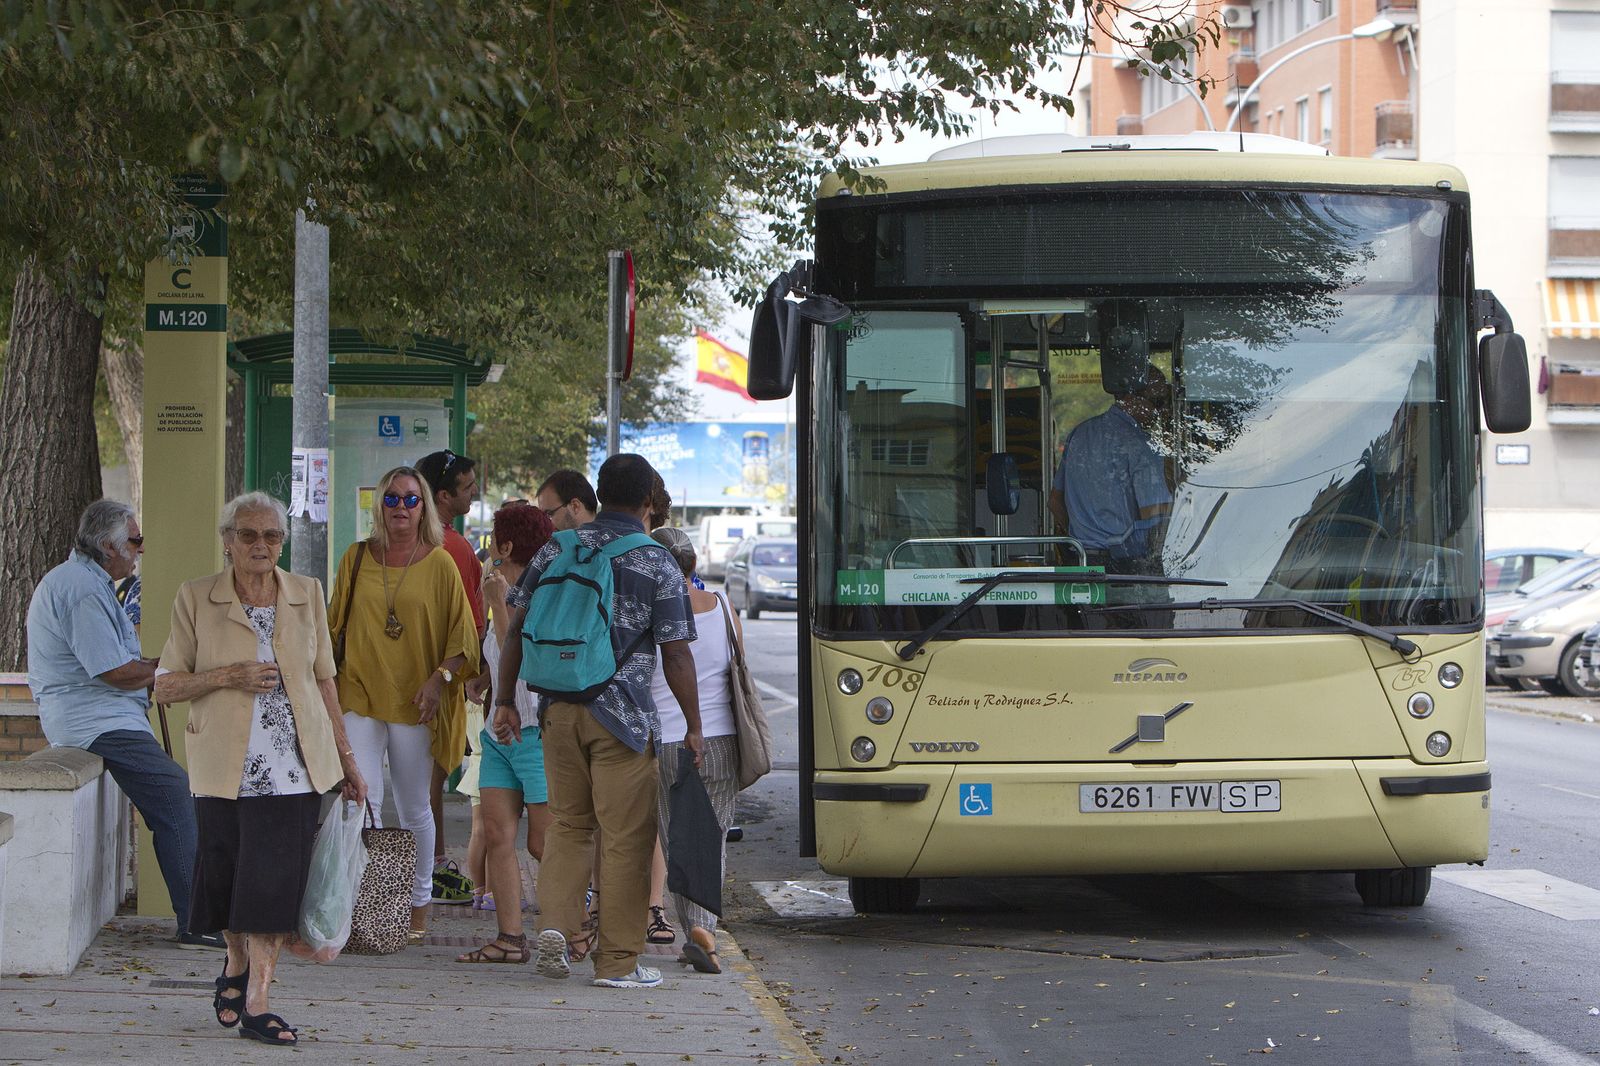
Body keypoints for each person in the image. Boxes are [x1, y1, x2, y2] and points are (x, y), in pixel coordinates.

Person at [153, 492, 368, 1046]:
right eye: (248, 535)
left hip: (294, 767)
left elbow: (325, 680)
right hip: (222, 767)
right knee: (226, 878)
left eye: (271, 536)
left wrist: (347, 760)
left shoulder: (306, 593)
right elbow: (166, 685)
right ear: (227, 541)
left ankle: (259, 1000)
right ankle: (234, 960)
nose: (261, 545)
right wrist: (229, 676)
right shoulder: (196, 596)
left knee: (273, 885)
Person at [496, 454, 705, 990]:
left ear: (599, 494)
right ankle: (617, 963)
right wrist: (694, 726)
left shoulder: (557, 547)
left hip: (557, 709)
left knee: (568, 826)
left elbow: (517, 628)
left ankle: (556, 927)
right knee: (625, 838)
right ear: (647, 502)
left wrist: (505, 700)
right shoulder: (655, 560)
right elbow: (677, 655)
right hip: (622, 720)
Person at [25, 500, 218, 949]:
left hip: (106, 715)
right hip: (95, 720)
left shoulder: (88, 582)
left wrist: (154, 669)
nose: (140, 549)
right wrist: (163, 671)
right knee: (174, 793)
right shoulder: (80, 589)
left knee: (176, 792)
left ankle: (199, 913)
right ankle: (194, 920)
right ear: (108, 546)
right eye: (135, 541)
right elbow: (113, 671)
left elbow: (120, 664)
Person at [328, 466, 479, 943]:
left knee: (414, 807)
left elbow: (463, 639)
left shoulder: (440, 564)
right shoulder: (355, 558)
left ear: (424, 507)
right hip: (360, 693)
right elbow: (332, 628)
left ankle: (417, 905)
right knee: (360, 801)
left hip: (417, 701)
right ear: (379, 505)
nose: (400, 507)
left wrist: (440, 679)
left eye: (411, 499)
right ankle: (358, 904)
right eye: (391, 498)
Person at [456, 501, 557, 964]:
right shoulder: (498, 588)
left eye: (494, 539)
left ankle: (568, 928)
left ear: (508, 545)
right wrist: (484, 680)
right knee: (497, 834)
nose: (489, 547)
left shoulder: (541, 595)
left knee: (543, 843)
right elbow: (498, 659)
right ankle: (510, 938)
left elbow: (517, 652)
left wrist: (497, 604)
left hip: (535, 734)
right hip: (498, 736)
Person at [648, 527, 741, 975]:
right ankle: (704, 932)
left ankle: (698, 931)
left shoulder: (649, 611)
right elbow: (739, 668)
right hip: (723, 739)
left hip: (669, 740)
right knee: (713, 837)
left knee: (677, 841)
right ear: (694, 564)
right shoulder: (723, 606)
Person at [1048, 303, 1173, 573]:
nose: (1161, 412)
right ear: (1132, 397)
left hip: (1082, 563)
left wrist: (1081, 542)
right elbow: (1157, 521)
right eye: (1158, 402)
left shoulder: (1080, 434)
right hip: (1126, 569)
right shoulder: (1143, 447)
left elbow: (1055, 502)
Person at [415, 448, 486, 905]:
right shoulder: (453, 548)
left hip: (408, 678)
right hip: (442, 680)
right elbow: (472, 628)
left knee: (423, 780)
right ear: (443, 496)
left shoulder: (401, 545)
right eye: (467, 486)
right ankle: (431, 868)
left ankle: (428, 866)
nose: (474, 493)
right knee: (429, 780)